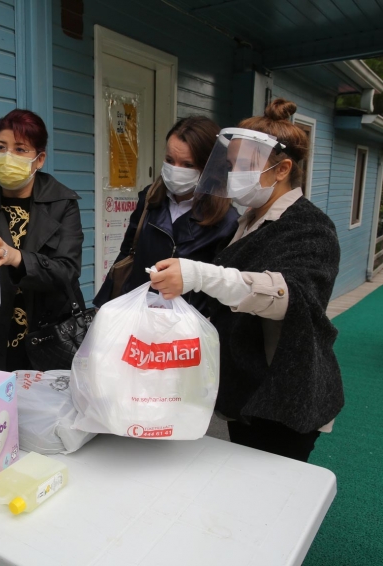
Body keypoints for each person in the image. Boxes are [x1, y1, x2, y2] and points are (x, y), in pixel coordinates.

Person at [149, 98, 344, 462]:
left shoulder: (310, 227)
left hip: (284, 396)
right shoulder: (250, 219)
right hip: (247, 388)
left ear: (282, 168)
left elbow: (290, 295)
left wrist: (197, 273)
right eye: (231, 164)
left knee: (273, 490)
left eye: (243, 165)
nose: (233, 173)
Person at [0, 109, 84, 371]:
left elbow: (68, 271)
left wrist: (18, 258)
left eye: (20, 149)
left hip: (49, 335)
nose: (8, 157)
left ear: (39, 159)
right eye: (1, 147)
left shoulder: (62, 204)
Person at [93, 116, 239, 314]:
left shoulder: (227, 221)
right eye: (170, 160)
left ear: (209, 167)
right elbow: (128, 252)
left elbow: (220, 287)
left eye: (188, 164)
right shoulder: (150, 199)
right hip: (136, 314)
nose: (175, 170)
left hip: (184, 328)